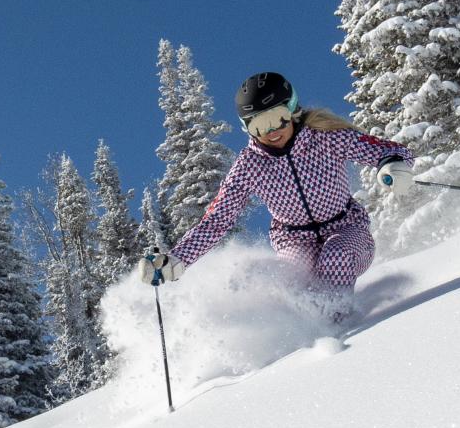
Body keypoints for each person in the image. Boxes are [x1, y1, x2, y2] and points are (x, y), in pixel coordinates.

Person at [144, 72, 412, 310]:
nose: (271, 131)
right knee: (286, 279)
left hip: (348, 233)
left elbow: (391, 150)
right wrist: (176, 260)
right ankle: (302, 337)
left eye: (277, 119)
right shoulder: (250, 165)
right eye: (259, 125)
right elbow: (217, 220)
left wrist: (392, 165)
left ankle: (336, 327)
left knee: (335, 257)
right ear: (246, 128)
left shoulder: (327, 137)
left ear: (292, 109)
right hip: (294, 241)